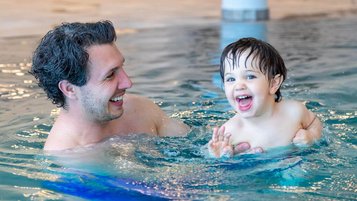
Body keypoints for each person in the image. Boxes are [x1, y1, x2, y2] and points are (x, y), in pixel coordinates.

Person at [29, 20, 254, 153]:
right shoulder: (71, 159)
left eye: (121, 68)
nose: (128, 82)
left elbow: (200, 144)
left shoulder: (139, 109)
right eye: (110, 76)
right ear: (69, 89)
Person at [208, 37, 322, 158]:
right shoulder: (229, 132)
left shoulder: (294, 112)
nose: (239, 85)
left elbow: (315, 123)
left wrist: (312, 136)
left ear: (273, 84)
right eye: (231, 79)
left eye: (250, 76)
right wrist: (217, 156)